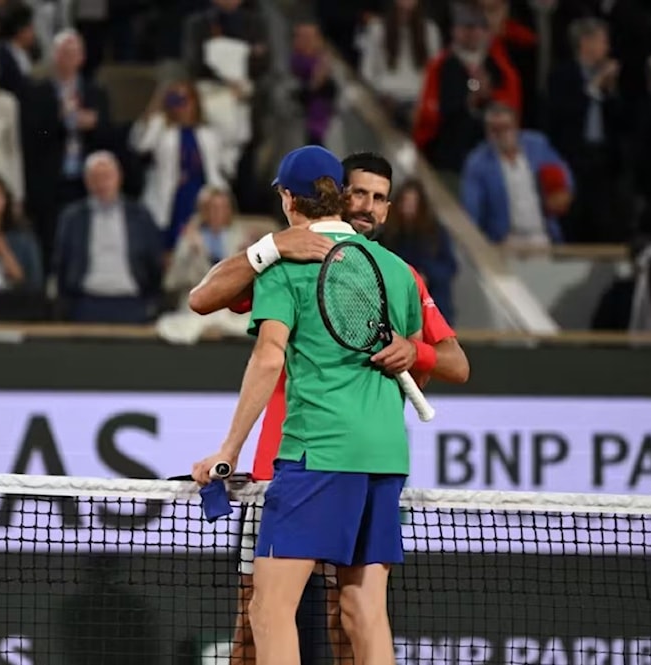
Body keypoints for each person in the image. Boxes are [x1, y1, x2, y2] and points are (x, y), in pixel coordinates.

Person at [189, 150, 469, 663]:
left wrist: (228, 449)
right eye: (362, 194)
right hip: (385, 456)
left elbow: (268, 357)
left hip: (315, 453)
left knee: (268, 610)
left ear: (287, 198)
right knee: (365, 611)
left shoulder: (288, 267)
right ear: (340, 195)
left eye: (380, 197)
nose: (370, 205)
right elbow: (205, 297)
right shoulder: (397, 272)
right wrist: (271, 246)